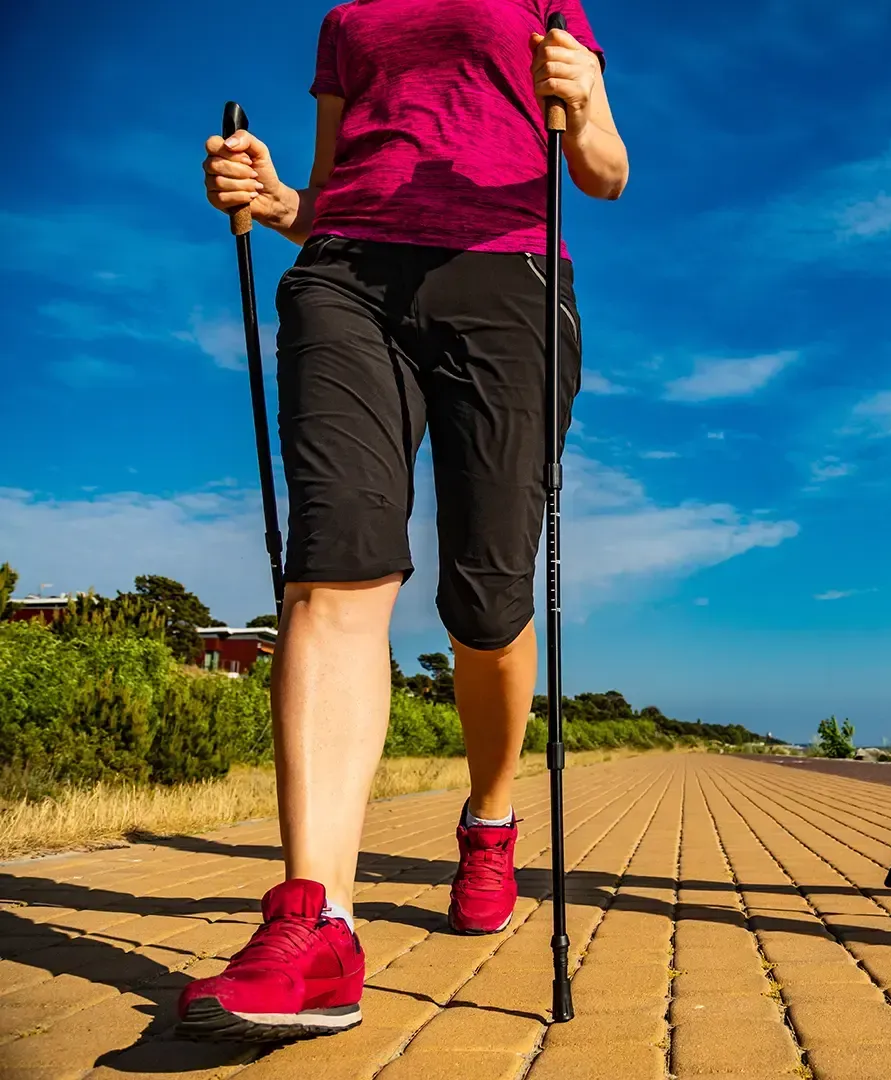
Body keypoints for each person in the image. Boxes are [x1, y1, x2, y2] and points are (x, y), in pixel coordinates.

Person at [184, 0, 628, 1040]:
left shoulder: (545, 6)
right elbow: (332, 193)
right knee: (333, 565)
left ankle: (490, 815)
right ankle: (316, 924)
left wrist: (579, 106)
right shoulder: (349, 20)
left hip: (508, 275)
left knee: (486, 598)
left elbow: (604, 170)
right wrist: (273, 192)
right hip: (345, 281)